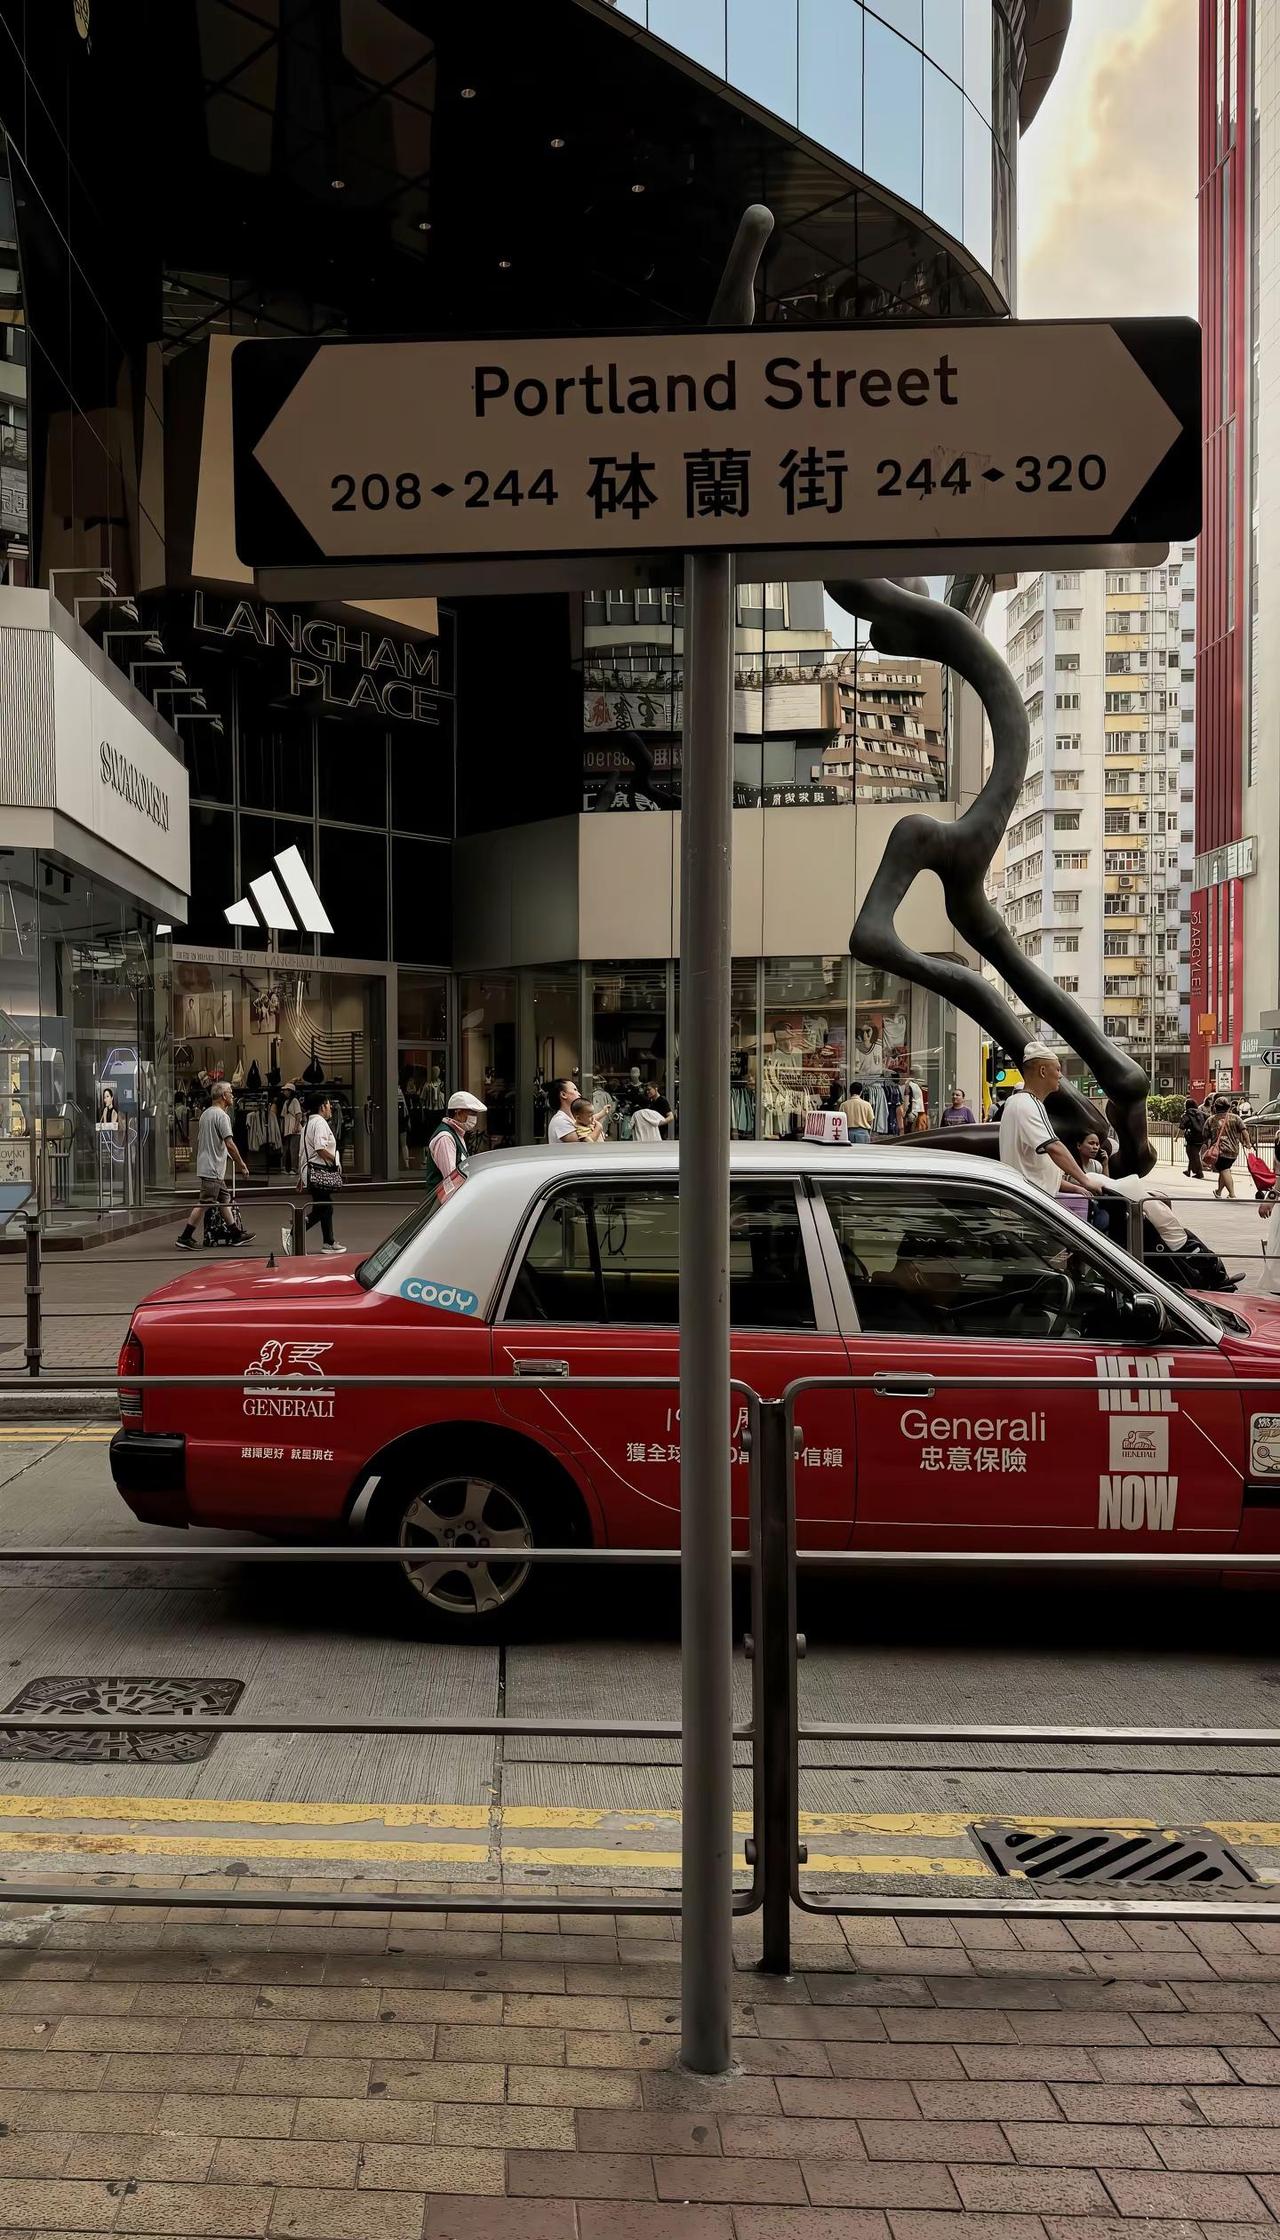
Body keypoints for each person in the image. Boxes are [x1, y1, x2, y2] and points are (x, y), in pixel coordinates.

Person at [997, 1043, 1103, 1203]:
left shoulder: (1015, 1102)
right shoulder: (1029, 1104)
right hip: (1032, 1201)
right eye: (1058, 1069)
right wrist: (1085, 1180)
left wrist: (1074, 1187)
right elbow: (1054, 1148)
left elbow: (1033, 1165)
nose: (1060, 1076)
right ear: (1043, 1071)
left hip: (1028, 1197)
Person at [177, 1080, 252, 1249]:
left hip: (209, 1165)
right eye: (230, 1092)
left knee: (224, 1199)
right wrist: (241, 1164)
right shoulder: (222, 1116)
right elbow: (229, 1144)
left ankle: (235, 1233)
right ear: (223, 1096)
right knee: (204, 1202)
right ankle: (185, 1237)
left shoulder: (206, 1114)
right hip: (213, 1167)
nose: (233, 1095)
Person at [284, 1091, 344, 1254]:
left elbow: (303, 1153)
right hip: (319, 1171)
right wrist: (335, 1161)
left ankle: (329, 1242)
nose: (331, 1107)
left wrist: (301, 1177)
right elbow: (319, 1148)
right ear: (322, 1106)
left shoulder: (308, 1124)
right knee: (324, 1207)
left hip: (310, 1172)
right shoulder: (320, 1123)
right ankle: (294, 1233)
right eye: (329, 1104)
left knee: (323, 1206)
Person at [426, 1090, 486, 1192]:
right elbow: (451, 1178)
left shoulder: (457, 1133)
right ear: (458, 1113)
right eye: (472, 1113)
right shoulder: (445, 1138)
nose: (474, 1118)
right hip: (444, 1200)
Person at [1205, 1095, 1252, 1199]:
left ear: (1215, 1107)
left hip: (1219, 1150)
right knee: (1224, 1169)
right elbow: (1244, 1131)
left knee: (1224, 1170)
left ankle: (1232, 1194)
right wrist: (1248, 1143)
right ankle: (1218, 1191)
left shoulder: (1211, 1120)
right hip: (1234, 1150)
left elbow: (1205, 1135)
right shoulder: (1236, 1118)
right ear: (1228, 1107)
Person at [548, 1078, 581, 1144]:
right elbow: (583, 1143)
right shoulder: (560, 1120)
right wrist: (598, 1127)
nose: (579, 1094)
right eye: (575, 1090)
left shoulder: (572, 1119)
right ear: (563, 1095)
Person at [1181, 1095, 1207, 1180]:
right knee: (1194, 1153)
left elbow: (1182, 1126)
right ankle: (1188, 1171)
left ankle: (1199, 1172)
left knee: (1192, 1154)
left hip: (1192, 1137)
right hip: (1202, 1136)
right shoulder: (1202, 1113)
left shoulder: (1186, 1114)